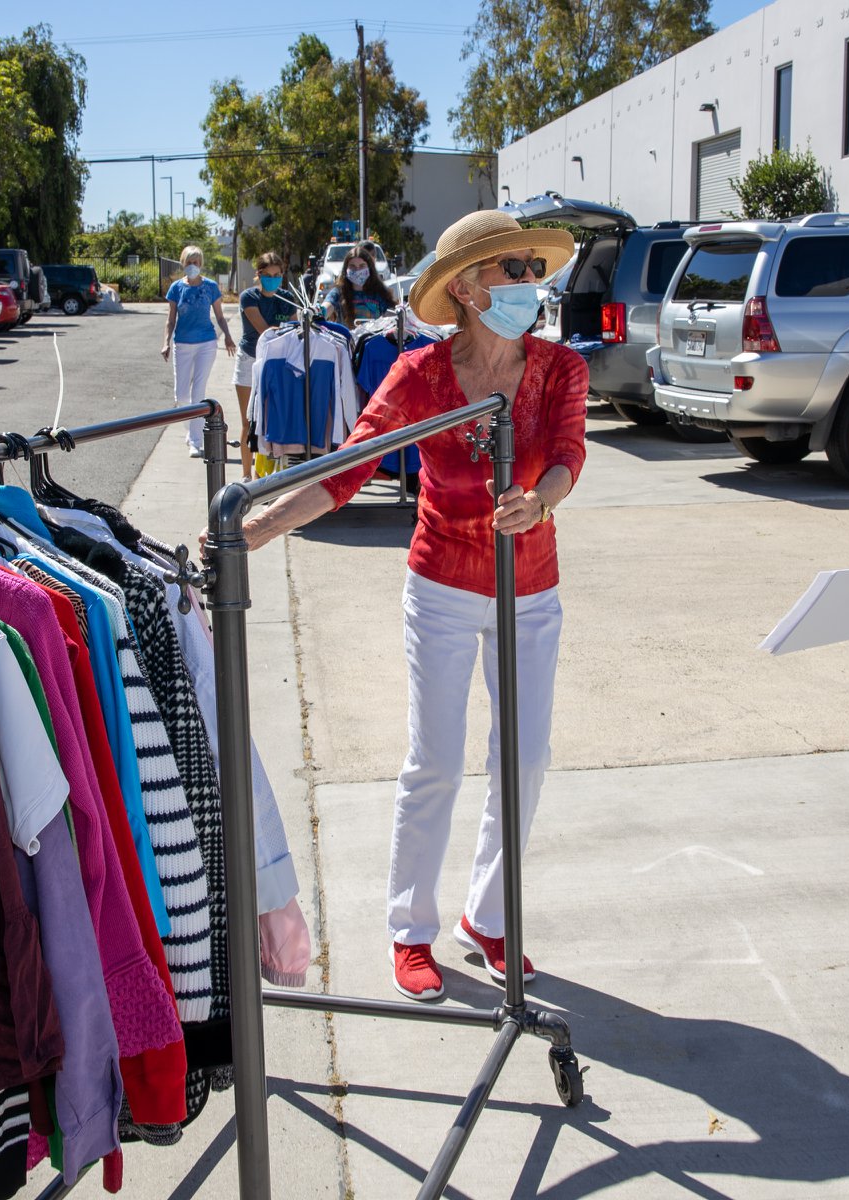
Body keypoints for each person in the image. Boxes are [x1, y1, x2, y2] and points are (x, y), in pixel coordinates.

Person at [236, 210, 585, 1001]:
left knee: (524, 760)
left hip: (532, 590)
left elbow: (568, 454)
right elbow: (350, 466)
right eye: (515, 270)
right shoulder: (418, 377)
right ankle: (410, 928)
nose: (533, 283)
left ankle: (490, 919)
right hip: (443, 590)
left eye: (536, 268)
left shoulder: (560, 369)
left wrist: (539, 500)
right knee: (434, 759)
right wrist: (259, 525)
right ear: (465, 287)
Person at [162, 245, 232, 458]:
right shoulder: (176, 288)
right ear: (183, 263)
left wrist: (228, 336)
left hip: (206, 344)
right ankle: (190, 431)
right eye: (189, 262)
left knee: (198, 393)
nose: (193, 266)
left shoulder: (210, 287)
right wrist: (166, 342)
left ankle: (195, 441)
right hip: (182, 344)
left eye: (197, 262)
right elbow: (171, 319)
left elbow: (219, 316)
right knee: (182, 396)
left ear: (201, 264)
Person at [236, 251, 296, 480]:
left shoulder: (287, 298)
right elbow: (264, 331)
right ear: (259, 274)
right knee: (247, 421)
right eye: (268, 274)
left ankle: (268, 475)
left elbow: (294, 331)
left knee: (271, 419)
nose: (273, 278)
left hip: (278, 363)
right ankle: (246, 475)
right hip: (250, 359)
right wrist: (284, 328)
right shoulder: (248, 297)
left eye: (277, 274)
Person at [323, 245, 392, 326]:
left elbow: (391, 316)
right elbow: (328, 305)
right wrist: (318, 312)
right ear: (346, 269)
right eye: (352, 266)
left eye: (362, 266)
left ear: (369, 268)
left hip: (374, 337)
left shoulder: (379, 293)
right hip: (346, 338)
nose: (357, 270)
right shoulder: (338, 292)